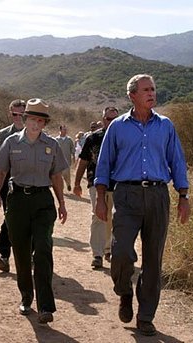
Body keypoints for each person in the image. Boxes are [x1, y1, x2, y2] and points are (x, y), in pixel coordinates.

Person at [94, 74, 190, 336]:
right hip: (126, 195)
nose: (152, 93)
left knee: (153, 261)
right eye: (146, 89)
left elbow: (177, 162)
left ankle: (145, 316)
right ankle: (124, 291)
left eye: (153, 89)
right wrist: (101, 198)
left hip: (158, 196)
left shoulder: (166, 126)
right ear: (132, 95)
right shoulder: (117, 127)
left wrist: (184, 195)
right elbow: (104, 164)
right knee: (121, 250)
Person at [0, 98, 68, 324]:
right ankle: (26, 296)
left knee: (43, 249)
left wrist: (62, 202)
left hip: (43, 200)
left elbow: (56, 176)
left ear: (45, 123)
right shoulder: (12, 142)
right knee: (21, 253)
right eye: (32, 119)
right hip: (17, 202)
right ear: (25, 120)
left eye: (40, 120)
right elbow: (1, 170)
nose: (36, 124)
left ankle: (45, 306)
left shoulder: (52, 144)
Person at [73, 106, 119, 269]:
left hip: (118, 184)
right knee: (98, 216)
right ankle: (97, 254)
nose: (111, 122)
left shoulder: (124, 138)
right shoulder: (93, 138)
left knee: (115, 218)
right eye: (108, 119)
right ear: (103, 120)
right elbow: (83, 161)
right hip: (96, 182)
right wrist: (77, 182)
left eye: (115, 119)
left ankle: (110, 250)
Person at [0, 99, 26, 273]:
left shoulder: (34, 133)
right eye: (14, 114)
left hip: (28, 182)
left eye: (21, 114)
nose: (18, 117)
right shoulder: (3, 134)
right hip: (7, 182)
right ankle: (4, 254)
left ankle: (26, 254)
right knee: (10, 217)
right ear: (10, 113)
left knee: (25, 220)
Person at [55, 125, 75, 191]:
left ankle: (68, 184)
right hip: (58, 161)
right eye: (64, 129)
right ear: (60, 130)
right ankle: (61, 188)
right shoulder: (56, 140)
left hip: (67, 161)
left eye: (66, 129)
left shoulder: (69, 140)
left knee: (67, 175)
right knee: (59, 176)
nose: (65, 131)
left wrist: (73, 157)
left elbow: (72, 149)